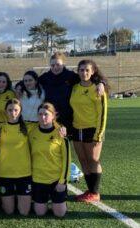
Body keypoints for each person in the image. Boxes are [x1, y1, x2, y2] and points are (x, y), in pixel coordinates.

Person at [17, 52, 105, 132]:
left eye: (58, 64)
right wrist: (19, 85)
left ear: (63, 64)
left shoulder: (71, 76)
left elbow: (88, 77)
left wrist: (101, 83)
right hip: (50, 117)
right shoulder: (46, 77)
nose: (55, 67)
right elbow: (31, 81)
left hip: (67, 118)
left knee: (64, 145)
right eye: (52, 65)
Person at [70, 59, 107, 203]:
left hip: (92, 129)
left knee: (93, 160)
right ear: (78, 71)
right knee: (83, 160)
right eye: (81, 70)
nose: (84, 72)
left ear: (92, 72)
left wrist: (99, 134)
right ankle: (90, 190)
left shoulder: (97, 89)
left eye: (87, 70)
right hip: (76, 128)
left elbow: (102, 114)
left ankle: (95, 192)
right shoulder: (74, 87)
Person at [29, 102, 70, 217]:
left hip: (55, 180)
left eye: (46, 114)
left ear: (53, 115)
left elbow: (67, 159)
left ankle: (59, 202)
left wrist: (62, 182)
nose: (43, 117)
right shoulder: (32, 132)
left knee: (60, 214)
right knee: (40, 213)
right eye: (40, 114)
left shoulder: (61, 134)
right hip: (38, 179)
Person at [0, 99, 32, 216]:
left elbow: (48, 123)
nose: (13, 113)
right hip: (5, 173)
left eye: (16, 110)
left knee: (24, 212)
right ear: (5, 111)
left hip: (24, 173)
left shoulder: (28, 127)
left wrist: (61, 128)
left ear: (20, 111)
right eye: (10, 110)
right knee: (9, 211)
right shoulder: (0, 128)